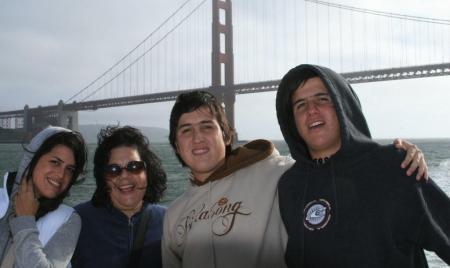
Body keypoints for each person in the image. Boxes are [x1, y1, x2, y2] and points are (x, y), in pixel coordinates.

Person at [161, 90, 429, 268]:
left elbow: (334, 166)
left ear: (228, 136)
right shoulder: (173, 215)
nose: (197, 138)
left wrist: (391, 158)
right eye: (186, 131)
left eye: (207, 127)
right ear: (176, 144)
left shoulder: (277, 173)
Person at [275, 64, 450, 267]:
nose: (312, 110)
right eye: (301, 105)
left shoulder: (395, 166)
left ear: (343, 106)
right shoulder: (289, 185)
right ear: (292, 122)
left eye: (322, 99)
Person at [71, 125, 167, 268]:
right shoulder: (77, 220)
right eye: (113, 170)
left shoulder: (170, 221)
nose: (124, 177)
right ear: (103, 178)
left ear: (148, 172)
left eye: (134, 167)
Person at [0, 126, 87, 268]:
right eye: (55, 162)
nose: (61, 175)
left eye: (70, 170)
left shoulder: (66, 219)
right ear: (32, 160)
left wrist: (25, 222)